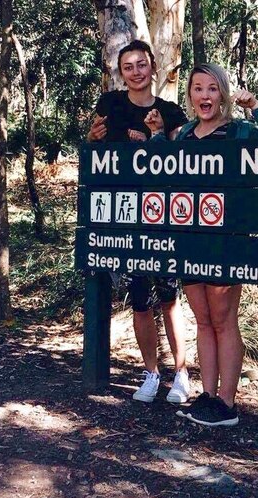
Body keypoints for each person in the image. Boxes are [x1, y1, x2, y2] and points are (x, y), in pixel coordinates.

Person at [167, 63, 258, 427]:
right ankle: (209, 395)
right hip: (190, 239)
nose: (205, 96)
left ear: (223, 94)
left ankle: (228, 403)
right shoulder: (184, 134)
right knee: (202, 320)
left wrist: (256, 107)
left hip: (226, 239)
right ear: (190, 95)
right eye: (198, 89)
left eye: (212, 89)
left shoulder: (238, 131)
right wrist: (154, 137)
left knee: (223, 319)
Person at [86, 40, 191, 404]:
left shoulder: (170, 111)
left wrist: (157, 135)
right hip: (122, 215)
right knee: (140, 299)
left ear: (153, 68)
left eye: (141, 64)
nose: (135, 72)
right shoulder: (110, 105)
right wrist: (92, 139)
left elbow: (186, 160)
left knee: (170, 297)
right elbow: (93, 151)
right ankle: (150, 373)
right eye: (128, 66)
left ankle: (180, 374)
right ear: (121, 72)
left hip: (161, 216)